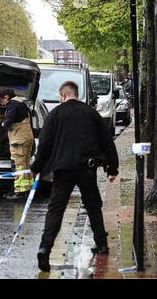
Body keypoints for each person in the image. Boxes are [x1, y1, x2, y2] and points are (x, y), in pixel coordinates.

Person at [30, 81, 119, 272]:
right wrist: (112, 168)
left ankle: (45, 248)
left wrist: (36, 167)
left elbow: (44, 145)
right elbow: (107, 141)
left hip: (62, 170)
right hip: (87, 169)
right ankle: (102, 244)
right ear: (75, 94)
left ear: (62, 95)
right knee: (93, 206)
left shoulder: (54, 115)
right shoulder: (91, 113)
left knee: (56, 209)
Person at [0, 89, 34, 201]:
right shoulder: (21, 103)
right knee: (25, 165)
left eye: (1, 100)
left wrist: (3, 123)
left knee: (19, 166)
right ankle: (25, 190)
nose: (1, 103)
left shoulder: (13, 104)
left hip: (19, 140)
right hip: (26, 138)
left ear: (6, 97)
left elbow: (10, 119)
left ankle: (20, 193)